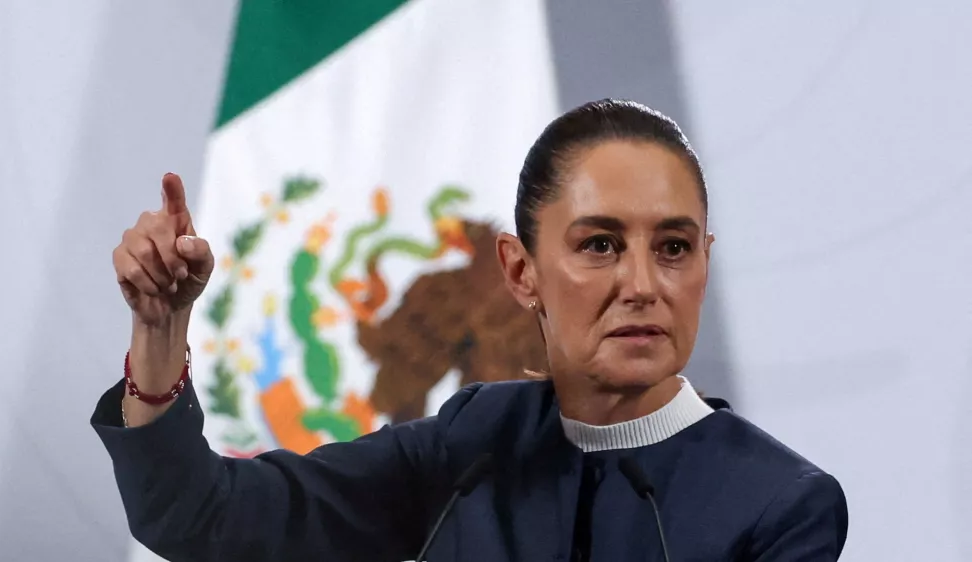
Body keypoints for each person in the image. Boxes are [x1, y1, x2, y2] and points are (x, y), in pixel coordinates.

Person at [92, 99, 848, 561]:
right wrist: (159, 331)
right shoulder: (472, 444)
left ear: (705, 263)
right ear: (521, 273)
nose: (644, 285)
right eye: (599, 245)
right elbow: (197, 518)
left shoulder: (780, 504)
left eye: (674, 248)